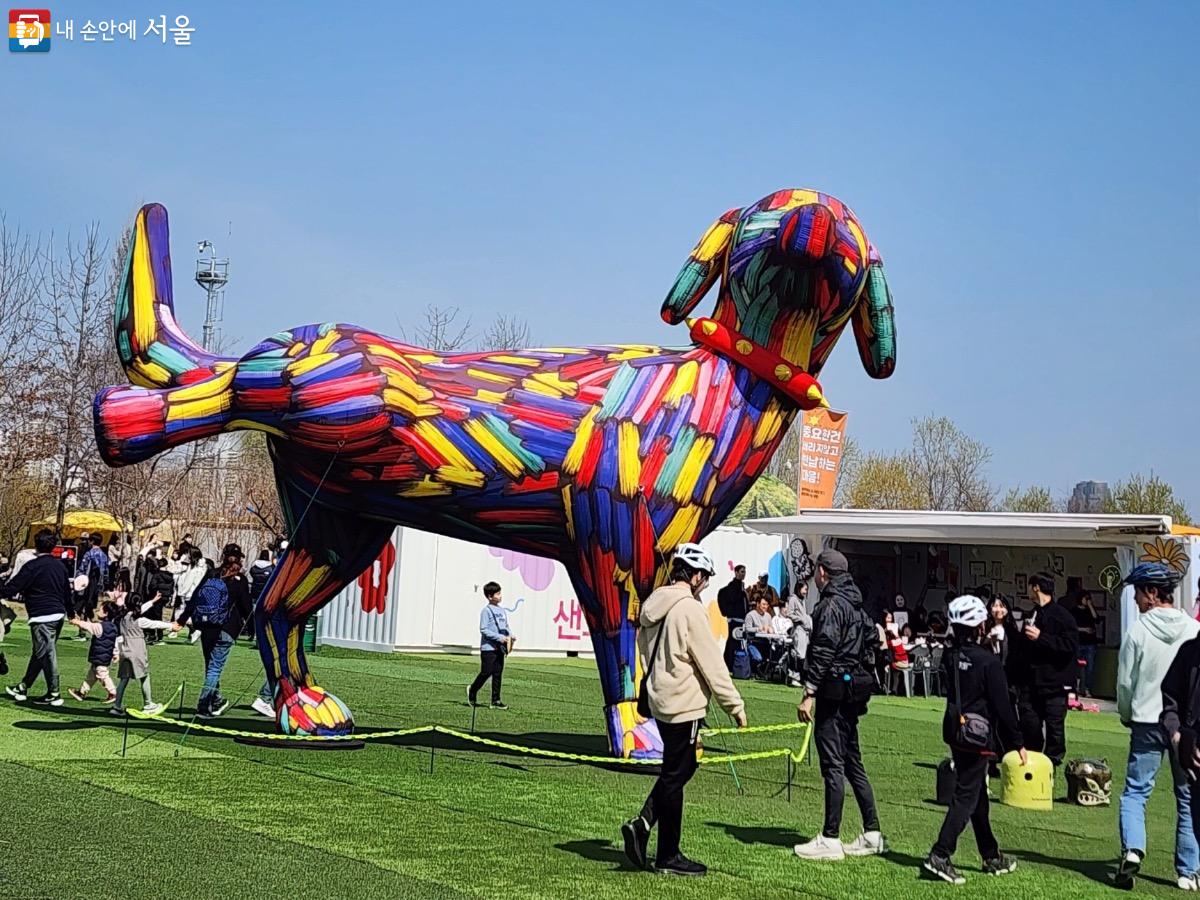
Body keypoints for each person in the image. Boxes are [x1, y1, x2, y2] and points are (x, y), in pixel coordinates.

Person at [621, 543, 745, 877]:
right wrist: (735, 705)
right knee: (676, 775)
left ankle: (644, 823)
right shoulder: (689, 609)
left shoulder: (656, 604)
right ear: (695, 576)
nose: (705, 585)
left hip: (660, 699)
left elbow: (648, 652)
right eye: (704, 578)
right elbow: (712, 663)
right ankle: (667, 855)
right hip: (683, 703)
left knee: (682, 767)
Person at [923, 595, 1025, 884]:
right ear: (981, 624)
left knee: (977, 795)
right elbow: (1003, 707)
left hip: (956, 730)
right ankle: (940, 854)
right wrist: (1018, 742)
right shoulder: (988, 662)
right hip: (979, 735)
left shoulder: (951, 655)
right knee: (966, 798)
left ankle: (990, 854)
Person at [795, 549, 886, 862]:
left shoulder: (832, 604)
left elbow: (823, 650)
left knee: (833, 764)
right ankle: (872, 833)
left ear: (823, 572)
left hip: (833, 691)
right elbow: (875, 639)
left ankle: (830, 837)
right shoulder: (856, 603)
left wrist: (809, 691)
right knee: (852, 762)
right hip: (853, 691)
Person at [1114, 563, 1200, 891]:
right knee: (1188, 794)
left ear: (1151, 592)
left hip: (1146, 720)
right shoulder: (1191, 629)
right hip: (1184, 724)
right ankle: (1187, 870)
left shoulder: (1139, 629)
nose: (1135, 599)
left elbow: (1125, 682)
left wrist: (1126, 713)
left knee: (1136, 791)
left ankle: (1133, 850)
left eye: (1137, 591)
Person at [1009, 572, 1078, 766]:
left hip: (1055, 684)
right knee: (1029, 723)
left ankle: (1052, 765)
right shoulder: (1033, 613)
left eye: (1030, 587)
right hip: (1031, 683)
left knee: (1055, 728)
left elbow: (1069, 646)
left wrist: (1041, 637)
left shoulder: (1063, 616)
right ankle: (1031, 761)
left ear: (1036, 587)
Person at [176, 545, 252, 717]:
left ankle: (216, 700)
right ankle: (204, 705)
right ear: (239, 559)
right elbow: (246, 606)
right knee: (215, 668)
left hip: (206, 625)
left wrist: (182, 619)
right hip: (227, 628)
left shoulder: (212, 574)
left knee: (210, 666)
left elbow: (195, 596)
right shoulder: (239, 580)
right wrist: (253, 629)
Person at [2, 529, 72, 706]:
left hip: (42, 616)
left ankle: (54, 692)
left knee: (47, 655)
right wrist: (71, 613)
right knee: (40, 654)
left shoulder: (32, 566)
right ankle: (23, 686)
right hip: (58, 615)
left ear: (36, 545)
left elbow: (12, 588)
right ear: (54, 546)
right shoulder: (60, 567)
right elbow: (66, 593)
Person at [108, 592, 176, 716]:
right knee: (144, 676)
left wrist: (153, 600)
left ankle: (116, 706)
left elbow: (141, 608)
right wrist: (171, 626)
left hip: (125, 651)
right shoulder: (140, 620)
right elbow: (155, 624)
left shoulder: (122, 617)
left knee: (124, 679)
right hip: (137, 652)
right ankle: (148, 704)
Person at [468, 581, 513, 709]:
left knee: (498, 673)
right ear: (490, 596)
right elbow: (483, 629)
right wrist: (500, 637)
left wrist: (510, 636)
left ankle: (496, 700)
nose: (500, 595)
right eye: (497, 593)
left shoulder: (502, 611)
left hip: (500, 648)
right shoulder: (486, 611)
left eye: (500, 593)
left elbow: (506, 626)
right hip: (488, 648)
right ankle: (472, 689)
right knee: (486, 672)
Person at [67, 599, 121, 703]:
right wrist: (116, 654)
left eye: (100, 609)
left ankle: (113, 693)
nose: (97, 611)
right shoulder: (113, 628)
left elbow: (88, 626)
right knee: (91, 675)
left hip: (99, 657)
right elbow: (114, 643)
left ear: (106, 613)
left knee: (102, 674)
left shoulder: (99, 626)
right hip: (104, 657)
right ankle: (82, 692)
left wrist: (76, 622)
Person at [717, 564, 749, 671]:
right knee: (733, 641)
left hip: (741, 619)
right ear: (736, 572)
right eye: (741, 572)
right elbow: (733, 598)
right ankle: (728, 663)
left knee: (737, 642)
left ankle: (734, 664)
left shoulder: (741, 587)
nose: (743, 574)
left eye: (744, 572)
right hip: (734, 619)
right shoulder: (734, 587)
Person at [1072, 589, 1100, 697]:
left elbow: (1096, 619)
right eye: (1086, 598)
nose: (1087, 600)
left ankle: (1087, 689)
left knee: (1090, 667)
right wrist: (1084, 629)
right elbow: (1072, 627)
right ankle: (1077, 688)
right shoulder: (1074, 611)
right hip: (1079, 642)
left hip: (1090, 642)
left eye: (1089, 598)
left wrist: (1090, 606)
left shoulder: (1090, 610)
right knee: (1078, 667)